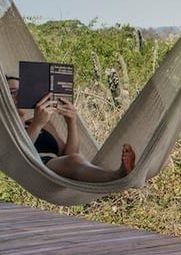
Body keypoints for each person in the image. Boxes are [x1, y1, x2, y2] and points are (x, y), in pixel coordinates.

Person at [5, 76, 135, 182]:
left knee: (75, 159)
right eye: (12, 92)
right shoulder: (4, 130)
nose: (19, 95)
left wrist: (71, 121)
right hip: (35, 169)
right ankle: (116, 176)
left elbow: (69, 154)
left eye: (22, 90)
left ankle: (118, 175)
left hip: (58, 167)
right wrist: (37, 124)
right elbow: (16, 157)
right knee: (75, 160)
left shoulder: (42, 123)